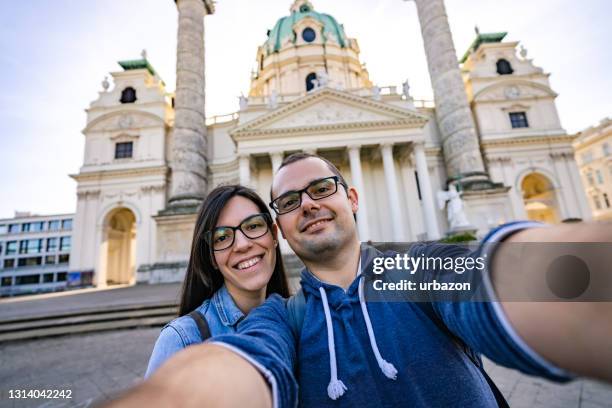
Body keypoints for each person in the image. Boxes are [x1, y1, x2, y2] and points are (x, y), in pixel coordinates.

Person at [108, 154, 612, 408]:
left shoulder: (416, 272)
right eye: (287, 202)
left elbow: (505, 278)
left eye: (321, 188)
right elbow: (243, 366)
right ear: (281, 227)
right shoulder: (281, 318)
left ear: (351, 198)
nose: (307, 204)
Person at [144, 185, 290, 377]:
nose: (243, 245)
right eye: (221, 237)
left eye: (253, 226)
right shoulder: (181, 339)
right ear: (211, 257)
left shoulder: (297, 319)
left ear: (274, 235)